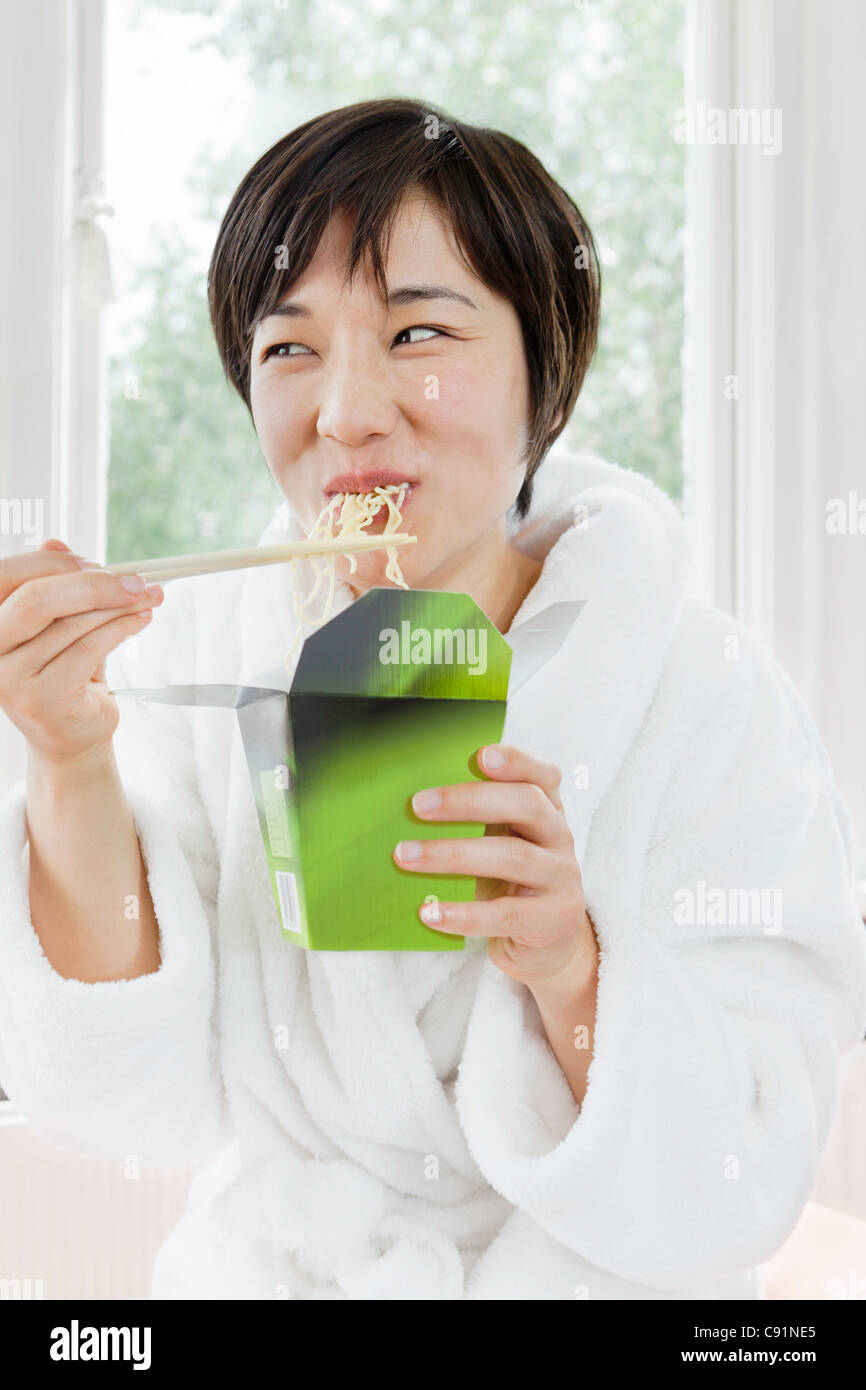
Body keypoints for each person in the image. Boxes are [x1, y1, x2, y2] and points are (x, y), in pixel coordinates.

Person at [0, 98, 864, 1301]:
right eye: (288, 348)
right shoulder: (196, 655)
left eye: (416, 334)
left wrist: (569, 963)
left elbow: (746, 1164)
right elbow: (125, 1092)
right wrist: (69, 752)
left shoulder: (698, 694)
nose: (346, 411)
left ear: (541, 379)